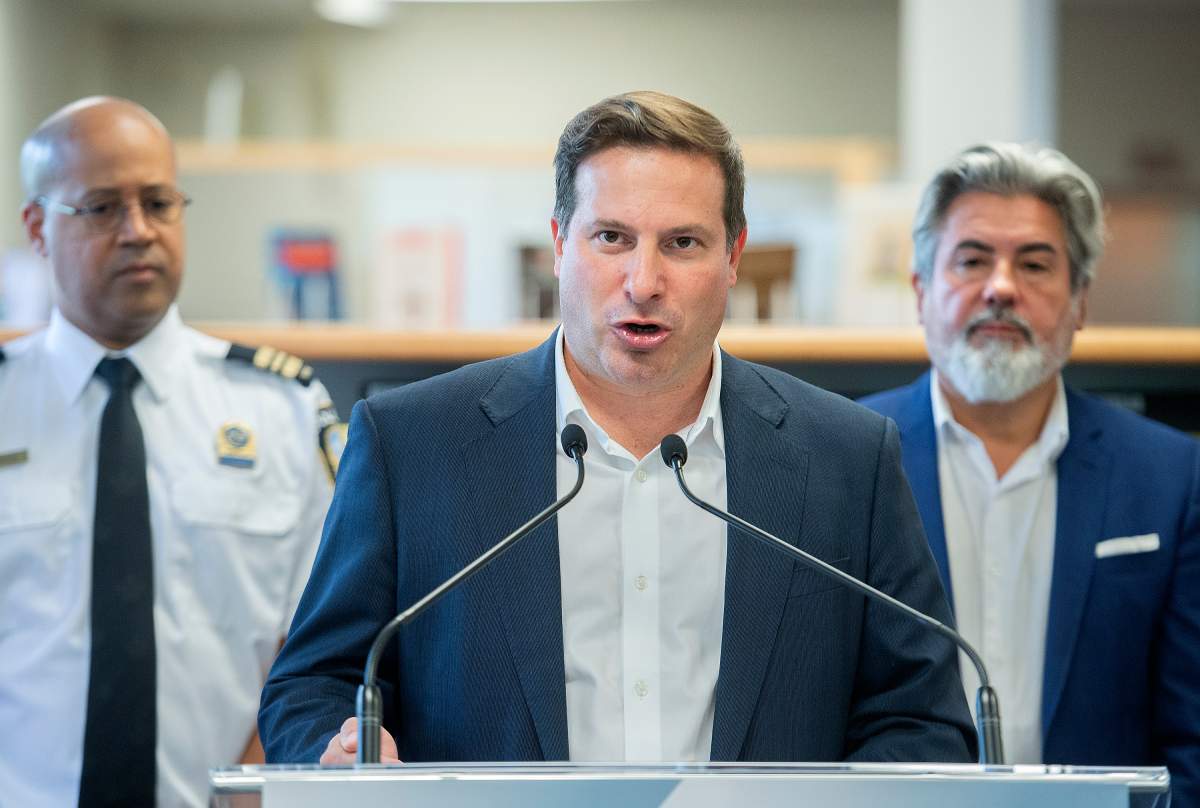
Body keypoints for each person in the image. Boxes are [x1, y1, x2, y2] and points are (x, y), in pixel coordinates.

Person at [259, 91, 974, 766]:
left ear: (733, 257)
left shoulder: (848, 457)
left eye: (684, 243)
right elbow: (313, 685)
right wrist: (341, 747)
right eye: (612, 237)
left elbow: (920, 719)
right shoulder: (410, 444)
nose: (643, 281)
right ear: (559, 244)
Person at [0, 97, 341, 807]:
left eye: (158, 202)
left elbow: (320, 644)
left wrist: (254, 786)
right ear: (36, 227)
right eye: (100, 208)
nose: (138, 231)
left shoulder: (281, 409)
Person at [861, 143, 1199, 803]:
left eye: (1036, 263)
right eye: (973, 259)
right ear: (921, 291)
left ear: (1080, 302)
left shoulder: (1172, 478)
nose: (1002, 287)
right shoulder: (843, 457)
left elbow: (1191, 738)